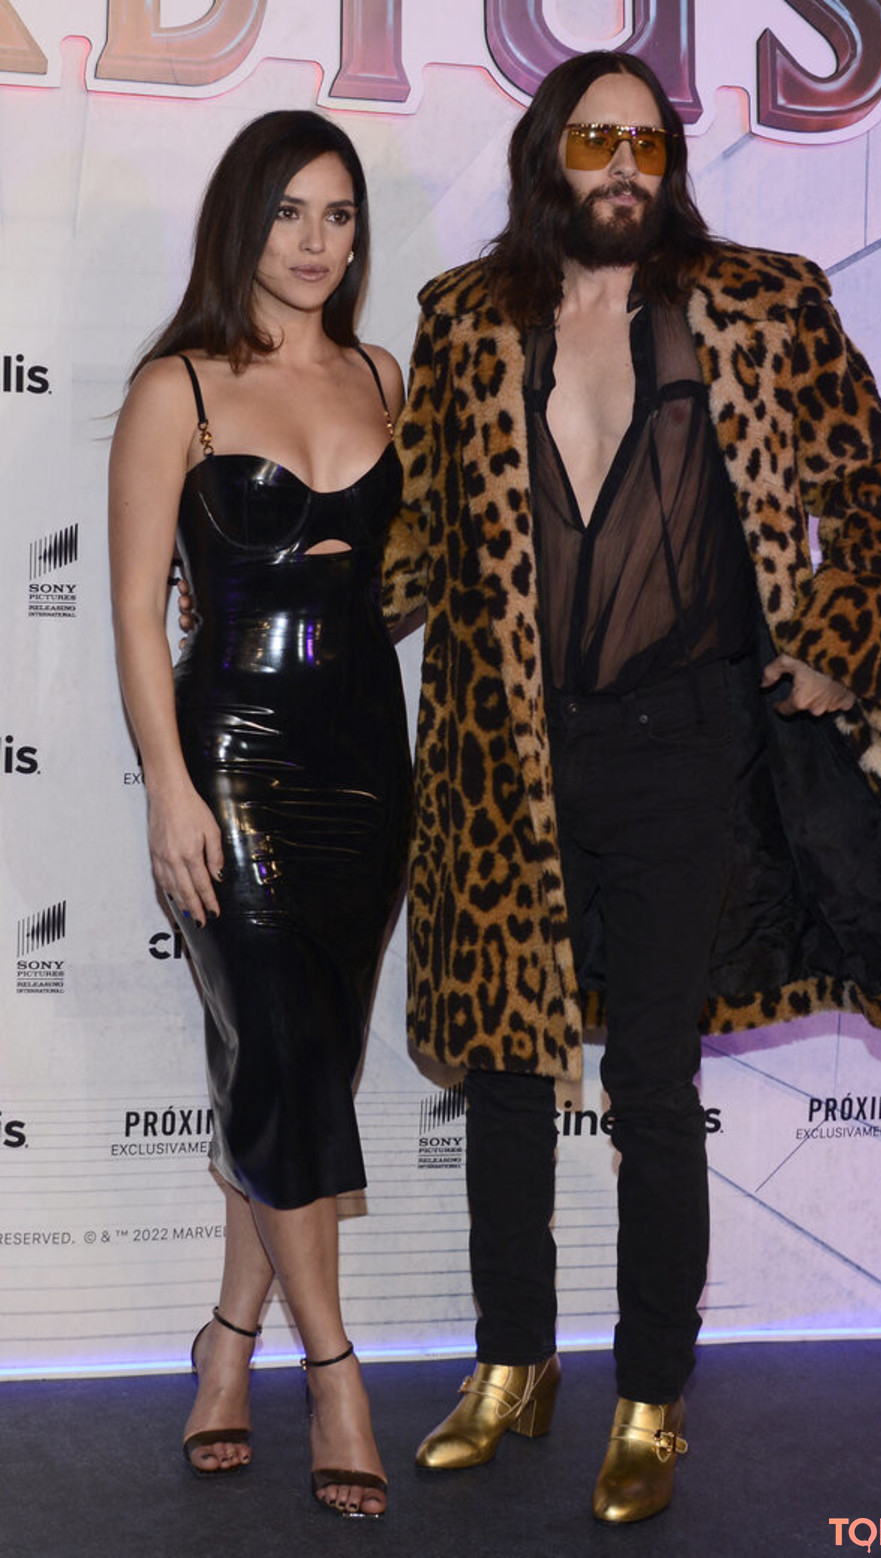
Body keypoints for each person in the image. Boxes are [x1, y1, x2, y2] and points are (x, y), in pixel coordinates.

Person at [381, 50, 881, 1523]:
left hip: (686, 745)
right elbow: (420, 541)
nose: (626, 166)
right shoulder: (462, 320)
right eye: (597, 140)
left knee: (649, 1078)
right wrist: (274, 596)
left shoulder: (759, 303)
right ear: (548, 155)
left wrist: (838, 644)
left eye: (650, 142)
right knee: (505, 1072)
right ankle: (511, 1364)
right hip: (506, 746)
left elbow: (880, 489)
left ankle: (651, 1396)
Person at [109, 110, 409, 1518]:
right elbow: (133, 610)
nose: (315, 241)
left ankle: (226, 1340)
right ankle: (334, 1371)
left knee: (296, 1072)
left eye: (339, 215)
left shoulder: (383, 373)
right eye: (290, 211)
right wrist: (169, 787)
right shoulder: (176, 386)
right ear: (242, 220)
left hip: (370, 764)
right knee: (284, 1051)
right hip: (230, 757)